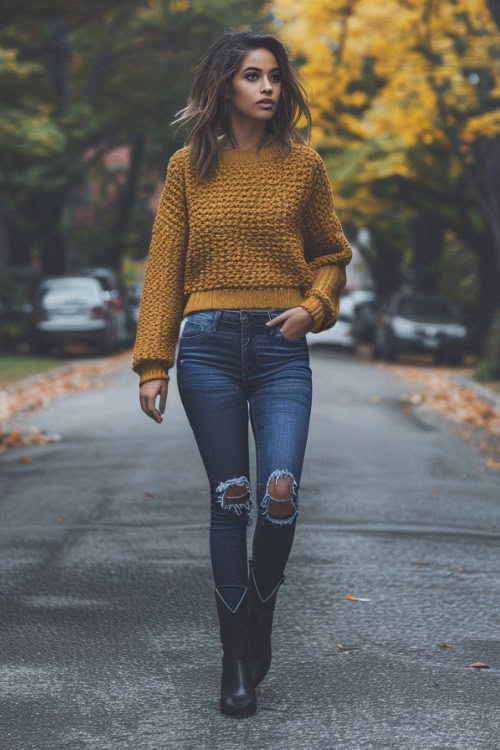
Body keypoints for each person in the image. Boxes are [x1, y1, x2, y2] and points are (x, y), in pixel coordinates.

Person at [132, 29, 352, 718]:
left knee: (279, 491)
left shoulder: (303, 165)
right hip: (208, 348)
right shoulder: (185, 168)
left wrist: (312, 308)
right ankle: (235, 662)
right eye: (253, 75)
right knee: (231, 497)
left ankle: (259, 617)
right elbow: (164, 267)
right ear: (225, 83)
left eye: (275, 77)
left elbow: (331, 252)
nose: (267, 87)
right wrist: (152, 361)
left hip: (282, 349)